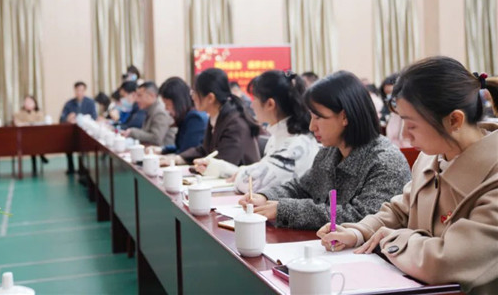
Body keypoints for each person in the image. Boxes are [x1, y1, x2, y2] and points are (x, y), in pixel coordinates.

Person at [318, 57, 498, 295]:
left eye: (411, 125)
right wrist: (357, 232)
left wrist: (394, 240)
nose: (404, 134)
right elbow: (400, 210)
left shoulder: (492, 174)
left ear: (454, 120)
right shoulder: (430, 159)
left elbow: (449, 261)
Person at [239, 71, 411, 230]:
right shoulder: (330, 152)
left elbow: (362, 216)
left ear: (344, 117)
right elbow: (302, 188)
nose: (312, 126)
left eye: (318, 117)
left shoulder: (386, 162)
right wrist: (266, 197)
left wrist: (284, 209)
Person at [194, 71, 320, 194]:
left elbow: (252, 182)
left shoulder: (297, 144)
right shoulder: (279, 136)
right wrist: (218, 168)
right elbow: (260, 171)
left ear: (270, 104)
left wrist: (231, 171)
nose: (252, 105)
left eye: (254, 99)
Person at [173, 68, 260, 167]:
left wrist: (194, 167)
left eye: (195, 93)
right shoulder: (217, 116)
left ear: (210, 98)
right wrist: (177, 159)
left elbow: (225, 164)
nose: (192, 97)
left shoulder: (235, 124)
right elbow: (205, 150)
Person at [154, 77, 208, 155]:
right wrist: (162, 150)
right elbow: (181, 147)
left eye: (167, 104)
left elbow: (188, 152)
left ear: (177, 102)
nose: (166, 109)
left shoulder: (195, 118)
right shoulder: (187, 116)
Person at [60, 81, 97, 174]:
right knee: (67, 144)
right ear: (75, 91)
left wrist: (84, 120)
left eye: (82, 90)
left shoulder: (90, 102)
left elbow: (94, 117)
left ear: (84, 91)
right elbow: (61, 119)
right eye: (77, 90)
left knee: (84, 146)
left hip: (85, 132)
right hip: (71, 133)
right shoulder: (69, 104)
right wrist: (68, 118)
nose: (79, 92)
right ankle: (71, 168)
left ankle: (83, 169)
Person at [123, 81, 176, 146]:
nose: (137, 100)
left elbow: (156, 138)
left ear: (151, 96)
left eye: (140, 95)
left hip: (162, 151)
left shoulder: (160, 112)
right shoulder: (150, 109)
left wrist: (132, 132)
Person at [13, 95, 48, 176]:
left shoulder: (39, 113)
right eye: (26, 102)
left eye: (30, 102)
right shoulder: (19, 113)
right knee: (32, 143)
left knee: (36, 141)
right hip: (24, 139)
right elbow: (16, 122)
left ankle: (39, 158)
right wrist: (27, 124)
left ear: (34, 103)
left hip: (37, 138)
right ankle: (41, 155)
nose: (28, 103)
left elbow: (42, 122)